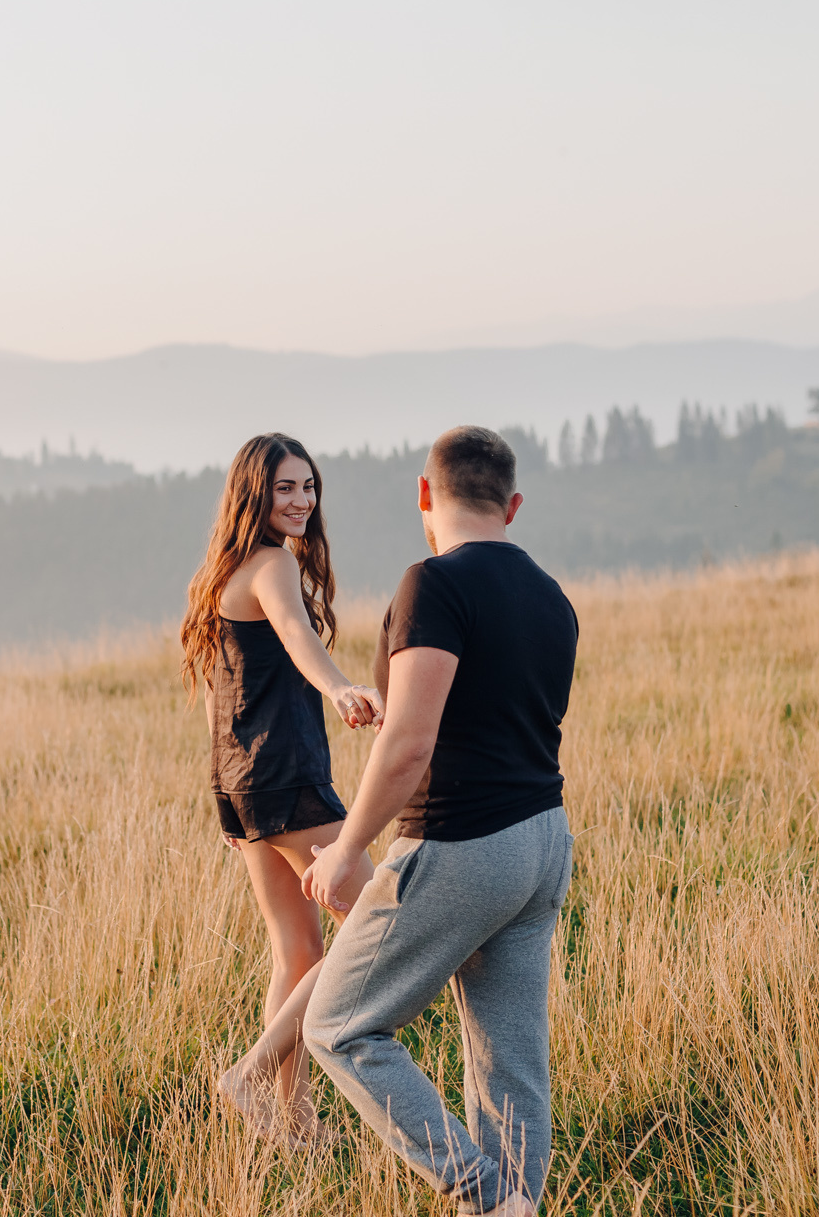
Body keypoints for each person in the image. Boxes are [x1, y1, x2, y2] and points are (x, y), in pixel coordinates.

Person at [301, 425, 578, 1217]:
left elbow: (410, 748)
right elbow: (492, 715)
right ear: (513, 505)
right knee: (510, 1061)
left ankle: (486, 1195)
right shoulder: (553, 597)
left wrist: (346, 850)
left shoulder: (434, 584)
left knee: (341, 1026)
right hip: (544, 841)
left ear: (425, 494)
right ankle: (518, 1202)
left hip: (464, 842)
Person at [179, 432, 382, 1147]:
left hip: (241, 783)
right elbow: (298, 636)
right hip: (285, 776)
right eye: (286, 488)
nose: (301, 500)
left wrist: (223, 797)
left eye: (309, 487)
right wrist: (339, 686)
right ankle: (252, 1073)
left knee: (297, 952)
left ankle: (295, 1123)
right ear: (253, 493)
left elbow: (220, 696)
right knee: (379, 915)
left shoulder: (224, 570)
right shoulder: (270, 566)